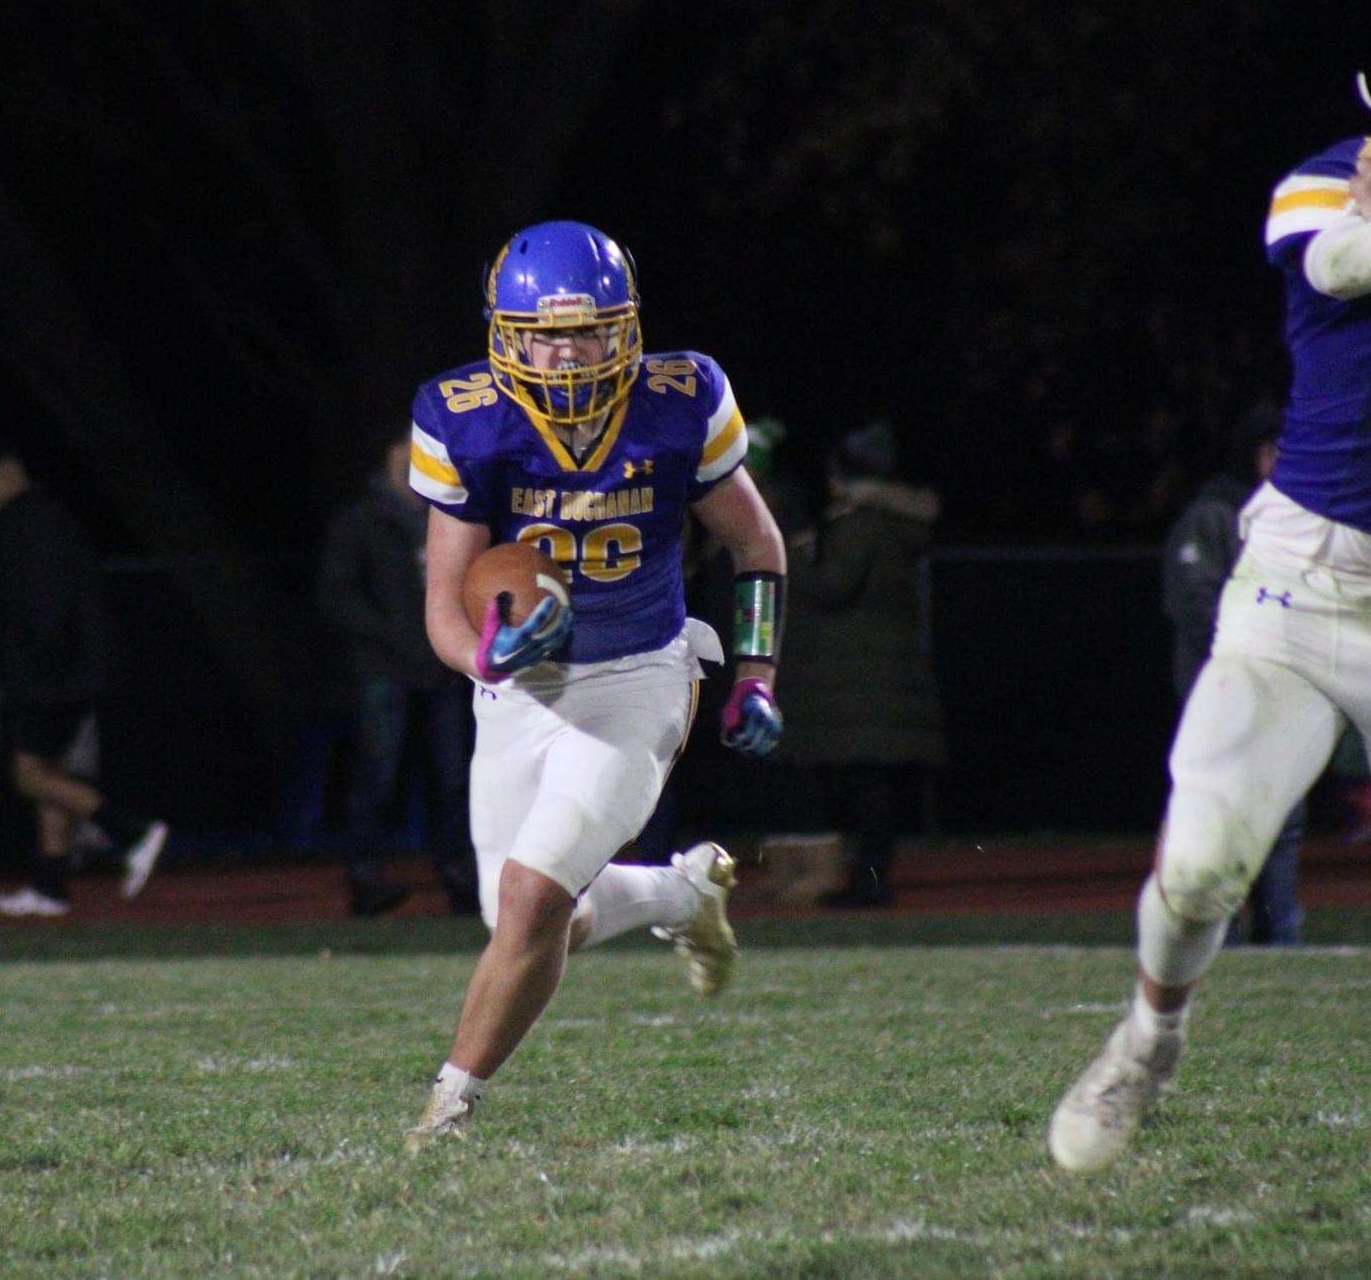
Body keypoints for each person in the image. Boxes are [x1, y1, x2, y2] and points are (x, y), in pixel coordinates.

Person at [1049, 0, 1371, 1213]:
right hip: (1299, 585)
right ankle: (1145, 1041)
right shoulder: (1345, 170)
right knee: (1197, 866)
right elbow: (1348, 263)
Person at [401, 220, 786, 1151]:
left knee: (533, 900)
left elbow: (755, 543)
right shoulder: (462, 413)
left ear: (624, 327)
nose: (565, 351)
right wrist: (485, 658)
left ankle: (447, 1108)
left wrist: (758, 671)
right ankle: (683, 897)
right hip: (523, 687)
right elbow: (446, 603)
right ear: (507, 331)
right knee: (528, 921)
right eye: (545, 332)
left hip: (640, 673)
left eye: (585, 330)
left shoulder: (681, 396)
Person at [0, 440, 168, 918]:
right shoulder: (47, 516)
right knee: (50, 774)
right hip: (69, 672)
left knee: (29, 776)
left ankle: (132, 831)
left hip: (53, 676)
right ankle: (51, 886)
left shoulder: (28, 521)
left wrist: (39, 671)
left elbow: (45, 610)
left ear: (6, 474)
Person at [779, 419, 945, 908]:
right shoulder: (898, 525)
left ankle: (869, 884)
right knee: (873, 789)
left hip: (862, 682)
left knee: (864, 791)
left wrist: (800, 556)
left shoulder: (859, 527)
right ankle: (867, 879)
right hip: (882, 677)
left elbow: (832, 588)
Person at [316, 431, 477, 917]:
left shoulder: (448, 516)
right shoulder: (361, 521)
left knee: (452, 779)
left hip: (441, 669)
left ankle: (459, 876)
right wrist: (392, 638)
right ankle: (365, 877)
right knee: (379, 776)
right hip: (383, 674)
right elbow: (335, 594)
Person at [1160, 405, 1303, 944]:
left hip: (1286, 691)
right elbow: (1194, 603)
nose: (1281, 461)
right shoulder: (1214, 514)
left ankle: (1280, 933)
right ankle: (1214, 935)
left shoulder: (1301, 514)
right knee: (1219, 814)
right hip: (1222, 691)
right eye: (1271, 450)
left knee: (1282, 817)